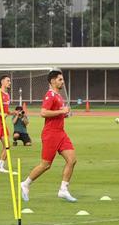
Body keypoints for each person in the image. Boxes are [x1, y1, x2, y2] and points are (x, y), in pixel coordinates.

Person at [20, 70, 78, 203]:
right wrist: (61, 111)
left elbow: (57, 113)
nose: (62, 82)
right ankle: (25, 184)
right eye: (60, 79)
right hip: (51, 134)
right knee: (46, 165)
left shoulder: (58, 96)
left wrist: (65, 114)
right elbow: (43, 112)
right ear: (52, 81)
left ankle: (63, 190)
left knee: (72, 160)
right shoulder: (50, 95)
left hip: (61, 133)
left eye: (62, 79)